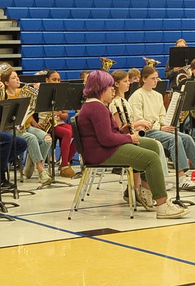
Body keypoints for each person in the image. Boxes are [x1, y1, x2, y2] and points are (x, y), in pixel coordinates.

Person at [76, 71, 188, 219]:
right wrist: (128, 138)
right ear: (101, 88)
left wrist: (122, 131)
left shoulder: (95, 105)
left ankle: (145, 192)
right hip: (102, 153)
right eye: (110, 87)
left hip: (102, 149)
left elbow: (106, 134)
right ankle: (162, 205)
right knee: (152, 158)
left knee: (152, 145)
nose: (112, 90)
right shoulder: (97, 108)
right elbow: (106, 139)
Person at [127, 65, 195, 189]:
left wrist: (166, 125)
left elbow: (162, 116)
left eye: (156, 78)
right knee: (174, 139)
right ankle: (181, 177)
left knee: (186, 138)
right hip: (146, 132)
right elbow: (140, 121)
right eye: (153, 78)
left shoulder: (158, 95)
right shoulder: (137, 96)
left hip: (158, 128)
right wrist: (160, 127)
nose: (156, 81)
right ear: (144, 79)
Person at [0, 68, 52, 185]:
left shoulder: (23, 92)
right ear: (6, 83)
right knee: (31, 138)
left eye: (17, 77)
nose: (17, 79)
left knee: (47, 139)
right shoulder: (3, 95)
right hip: (10, 130)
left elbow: (33, 107)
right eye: (13, 78)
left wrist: (38, 90)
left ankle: (31, 164)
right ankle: (41, 171)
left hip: (26, 126)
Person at [43, 71, 77, 178]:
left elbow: (66, 115)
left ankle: (66, 160)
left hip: (59, 123)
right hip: (46, 124)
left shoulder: (61, 94)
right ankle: (64, 165)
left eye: (58, 79)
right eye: (54, 79)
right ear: (47, 80)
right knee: (67, 133)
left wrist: (60, 114)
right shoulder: (41, 93)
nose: (57, 82)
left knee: (79, 131)